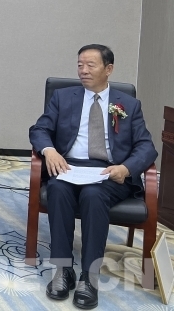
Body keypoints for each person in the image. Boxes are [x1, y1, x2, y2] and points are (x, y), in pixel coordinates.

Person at [29, 44, 157, 310]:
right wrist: (50, 150)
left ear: (108, 69)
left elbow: (146, 146)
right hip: (69, 166)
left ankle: (89, 275)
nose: (83, 71)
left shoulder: (128, 104)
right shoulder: (63, 97)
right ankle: (63, 269)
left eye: (90, 65)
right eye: (80, 65)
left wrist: (126, 168)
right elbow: (39, 129)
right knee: (57, 189)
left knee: (93, 194)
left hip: (109, 171)